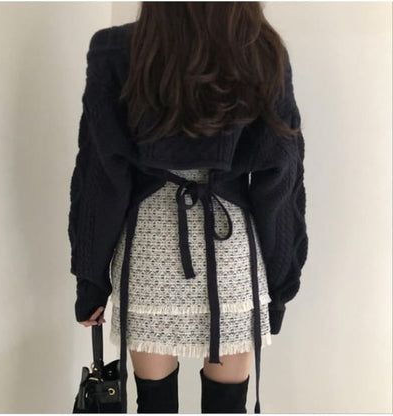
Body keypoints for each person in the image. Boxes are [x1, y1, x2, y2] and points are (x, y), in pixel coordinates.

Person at [69, 2, 308, 413]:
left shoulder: (114, 48)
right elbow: (281, 179)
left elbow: (101, 176)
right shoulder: (262, 50)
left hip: (148, 251)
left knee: (154, 403)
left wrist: (91, 280)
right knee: (228, 405)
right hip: (231, 255)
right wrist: (281, 283)